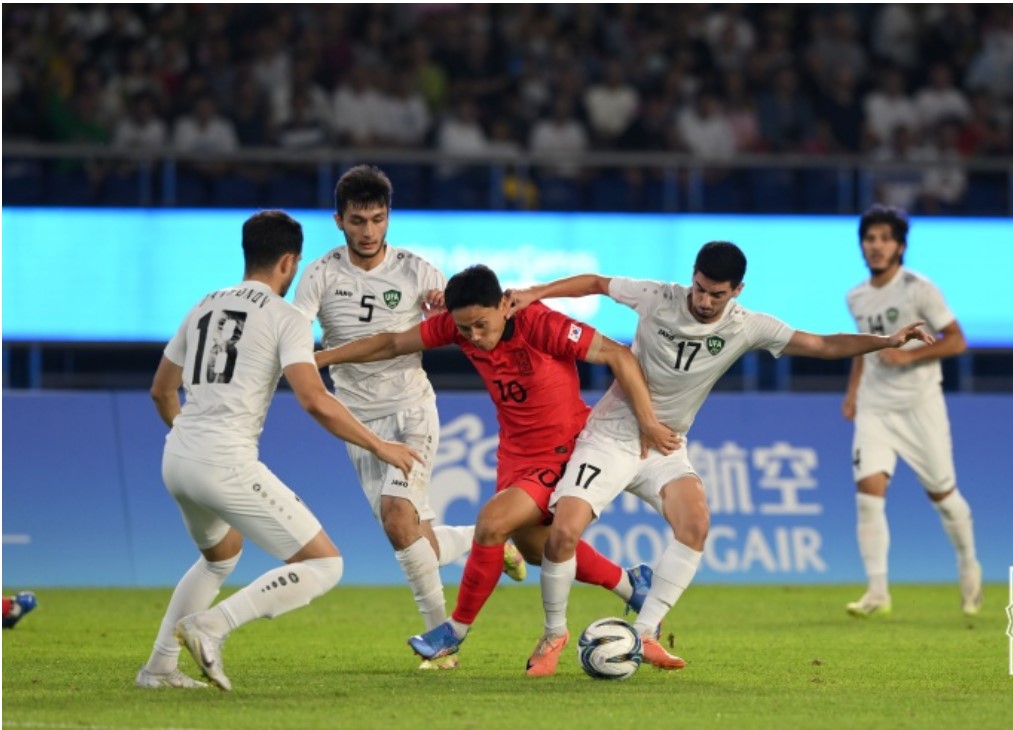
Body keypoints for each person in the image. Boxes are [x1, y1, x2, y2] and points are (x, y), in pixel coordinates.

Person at [509, 240, 934, 675]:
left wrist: (887, 341)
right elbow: (597, 282)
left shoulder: (747, 326)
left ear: (737, 291)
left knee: (695, 526)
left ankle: (648, 632)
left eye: (717, 294)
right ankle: (553, 634)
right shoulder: (658, 296)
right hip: (613, 437)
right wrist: (536, 292)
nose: (705, 301)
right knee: (563, 535)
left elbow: (822, 345)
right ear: (692, 278)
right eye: (699, 288)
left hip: (666, 446)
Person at [316, 264, 680, 662]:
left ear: (503, 307)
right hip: (516, 455)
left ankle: (454, 631)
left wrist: (647, 421)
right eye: (465, 328)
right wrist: (322, 358)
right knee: (538, 550)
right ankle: (631, 583)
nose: (473, 336)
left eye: (480, 325)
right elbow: (391, 343)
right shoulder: (459, 326)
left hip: (565, 450)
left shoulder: (541, 325)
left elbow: (618, 355)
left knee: (492, 523)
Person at [137, 211, 421, 691]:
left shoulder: (204, 304)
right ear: (289, 262)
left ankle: (158, 668)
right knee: (325, 564)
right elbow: (315, 400)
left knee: (219, 556)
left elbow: (162, 391)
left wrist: (191, 436)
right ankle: (212, 625)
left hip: (177, 457)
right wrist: (381, 445)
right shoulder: (286, 317)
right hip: (223, 461)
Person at [292, 165, 525, 671]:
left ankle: (443, 646)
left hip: (411, 409)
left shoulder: (418, 272)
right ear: (339, 221)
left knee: (399, 522)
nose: (369, 231)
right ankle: (480, 541)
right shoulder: (320, 275)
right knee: (410, 535)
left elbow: (469, 322)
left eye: (378, 219)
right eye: (358, 220)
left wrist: (444, 305)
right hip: (356, 419)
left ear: (388, 216)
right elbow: (294, 334)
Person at [842, 205, 981, 617]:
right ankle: (877, 592)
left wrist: (912, 358)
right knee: (868, 494)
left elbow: (956, 341)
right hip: (875, 407)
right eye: (870, 238)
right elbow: (862, 347)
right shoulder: (856, 296)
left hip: (920, 406)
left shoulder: (919, 289)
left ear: (900, 246)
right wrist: (852, 393)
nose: (877, 246)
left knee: (943, 494)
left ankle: (968, 562)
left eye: (885, 238)